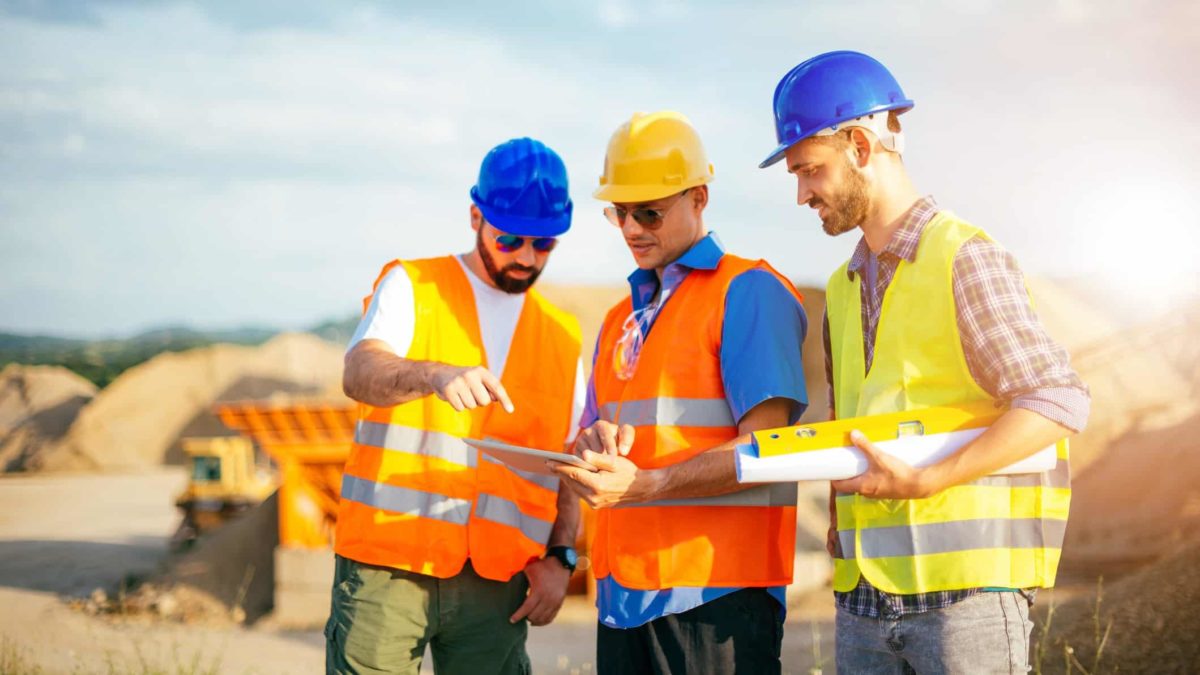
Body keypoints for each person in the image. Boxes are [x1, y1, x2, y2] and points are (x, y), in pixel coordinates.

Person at [757, 50, 1089, 673]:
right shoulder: (842, 286)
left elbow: (1057, 400)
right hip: (863, 602)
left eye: (809, 170)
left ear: (859, 145)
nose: (801, 194)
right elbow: (851, 422)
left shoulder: (963, 258)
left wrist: (931, 479)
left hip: (966, 602)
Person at [553, 111, 809, 675]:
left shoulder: (749, 293)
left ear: (700, 198)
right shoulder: (621, 316)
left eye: (649, 211)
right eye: (619, 212)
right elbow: (593, 432)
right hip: (623, 597)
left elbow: (768, 448)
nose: (631, 229)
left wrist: (647, 485)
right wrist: (591, 445)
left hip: (716, 600)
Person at [326, 137, 586, 674]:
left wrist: (562, 558)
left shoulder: (562, 338)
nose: (525, 256)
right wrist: (432, 375)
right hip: (388, 566)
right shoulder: (413, 286)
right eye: (510, 238)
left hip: (498, 586)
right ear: (475, 216)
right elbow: (359, 372)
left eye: (543, 244)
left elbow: (566, 464)